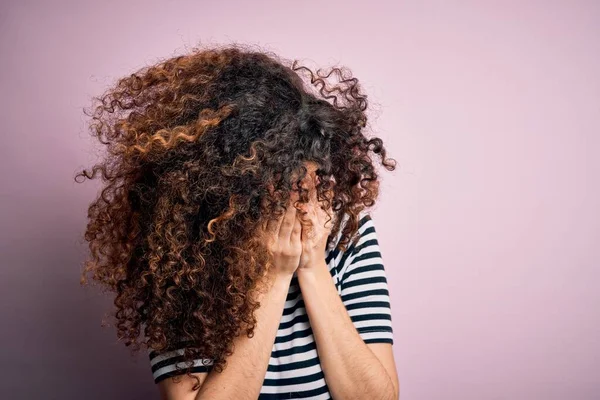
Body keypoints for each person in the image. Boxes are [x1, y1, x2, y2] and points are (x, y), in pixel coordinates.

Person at [76, 43, 399, 400]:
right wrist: (274, 278)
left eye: (315, 176)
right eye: (286, 184)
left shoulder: (346, 234)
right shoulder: (180, 258)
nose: (304, 196)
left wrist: (313, 267)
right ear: (231, 186)